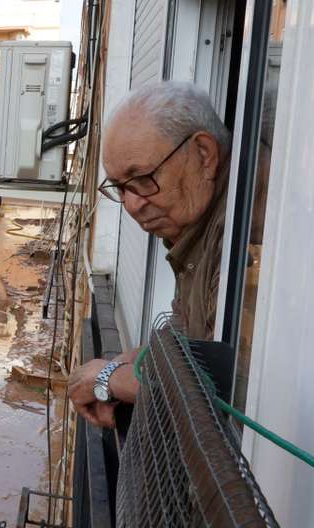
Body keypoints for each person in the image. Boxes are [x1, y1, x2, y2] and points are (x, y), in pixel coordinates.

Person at [68, 82, 232, 428]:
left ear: (204, 155)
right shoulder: (196, 231)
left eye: (142, 179)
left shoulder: (244, 241)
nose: (132, 204)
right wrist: (131, 362)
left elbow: (219, 385)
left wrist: (109, 379)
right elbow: (188, 337)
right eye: (120, 188)